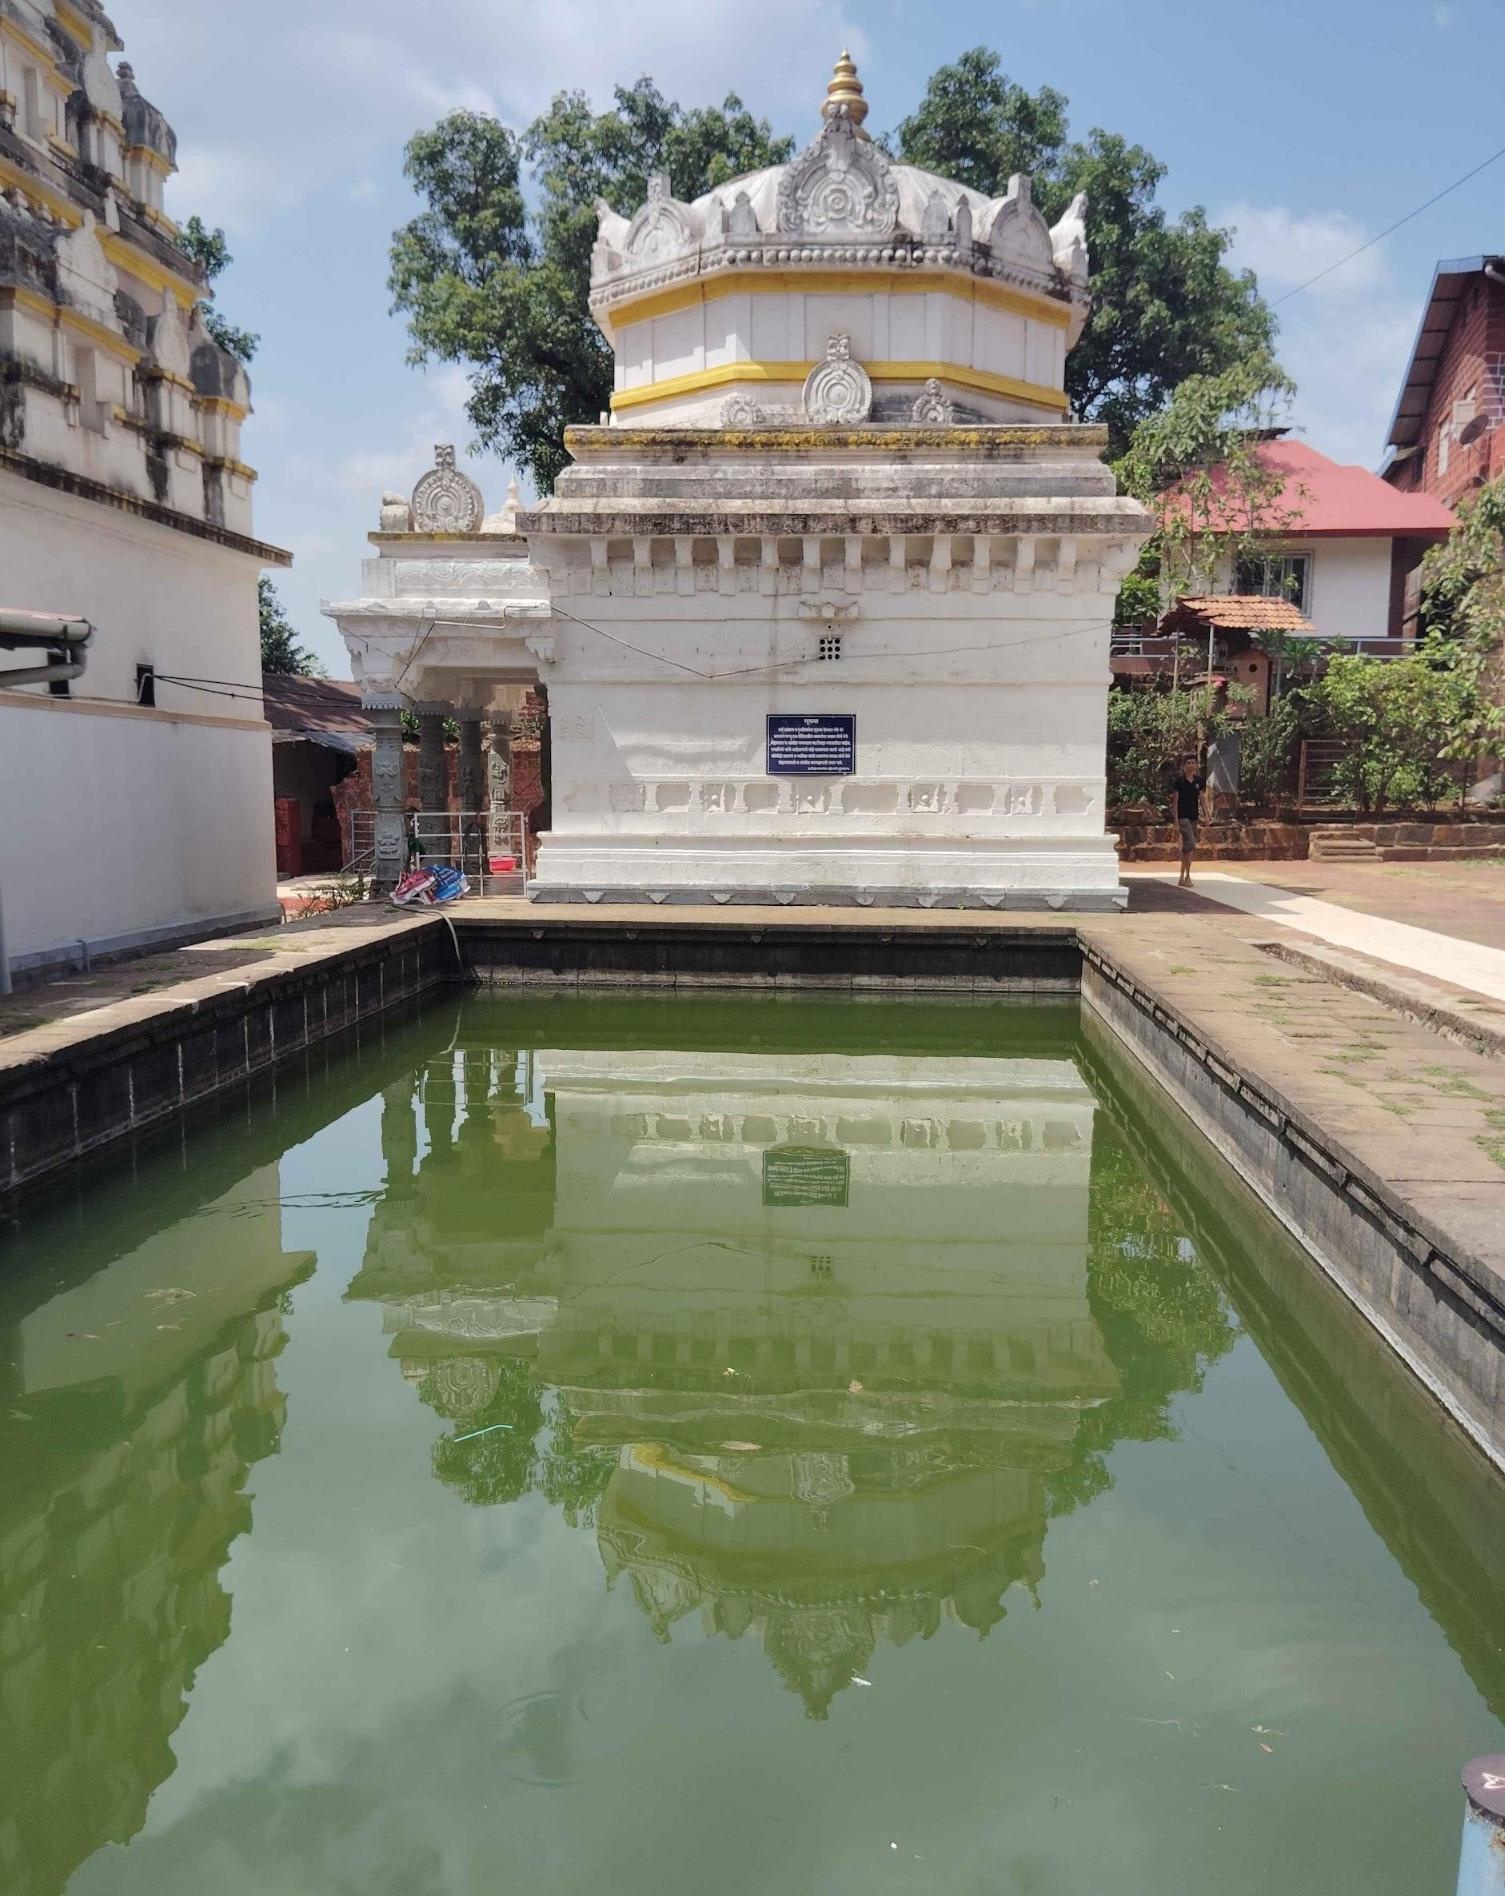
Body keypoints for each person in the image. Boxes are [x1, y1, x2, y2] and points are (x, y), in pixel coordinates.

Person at [1170, 756, 1204, 889]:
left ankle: (1182, 875)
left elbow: (1201, 798)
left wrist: (1206, 815)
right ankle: (1187, 876)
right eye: (1188, 763)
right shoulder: (1180, 781)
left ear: (1196, 765)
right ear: (1184, 766)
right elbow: (1175, 802)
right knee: (1191, 845)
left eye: (1193, 763)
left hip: (1193, 817)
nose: (1191, 765)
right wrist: (1175, 820)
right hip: (1183, 818)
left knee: (1187, 849)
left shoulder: (1198, 781)